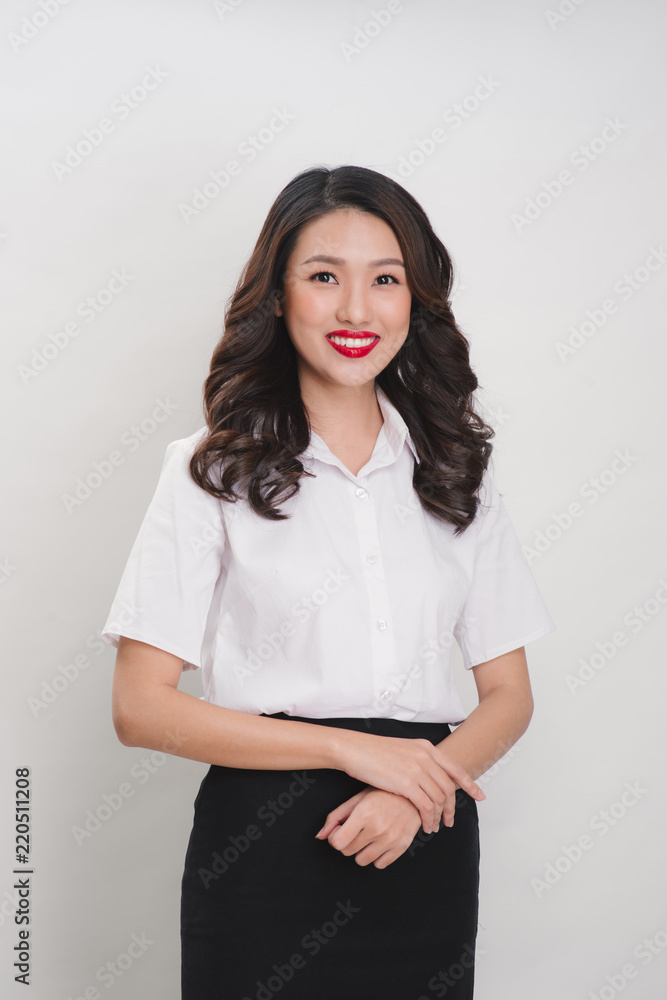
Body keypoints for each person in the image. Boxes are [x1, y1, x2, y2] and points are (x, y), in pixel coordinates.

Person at [101, 164, 556, 999]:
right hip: (264, 849)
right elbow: (140, 707)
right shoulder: (210, 469)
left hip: (422, 834)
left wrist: (415, 789)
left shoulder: (457, 473)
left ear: (415, 299)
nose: (356, 310)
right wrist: (350, 750)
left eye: (385, 280)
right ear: (277, 298)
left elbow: (508, 696)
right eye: (323, 277)